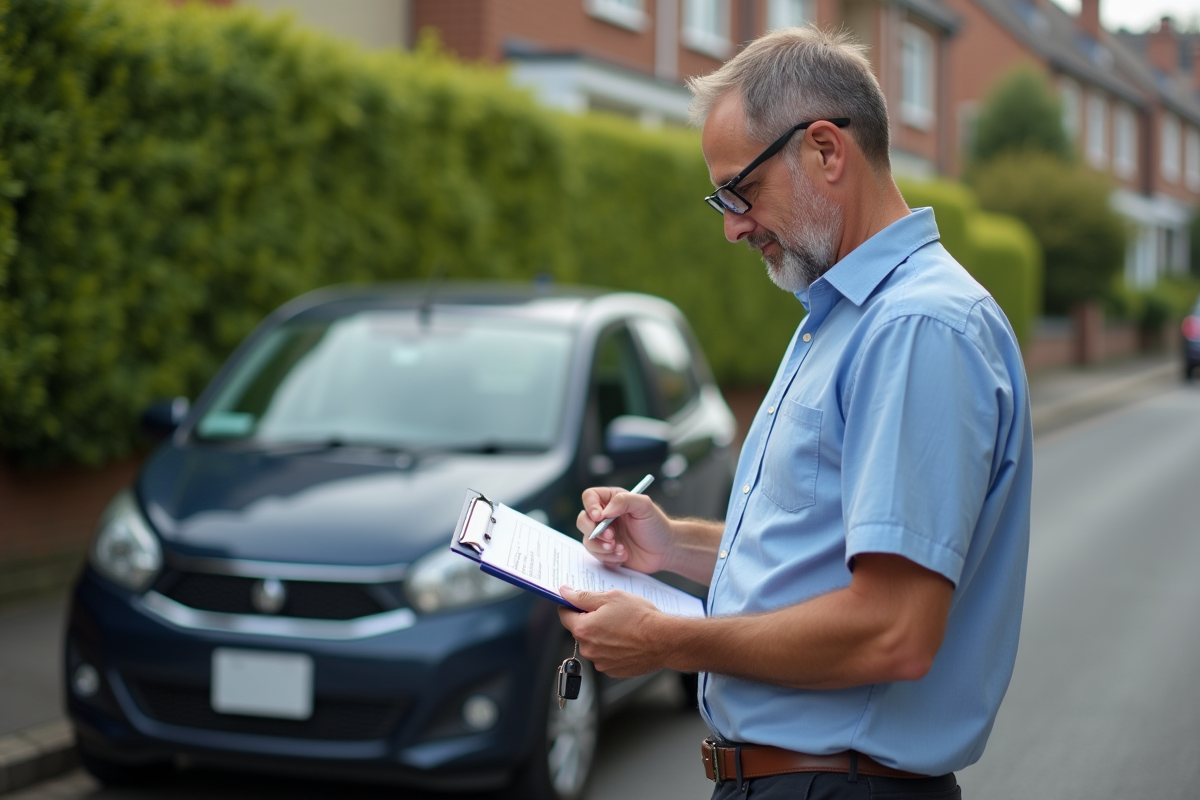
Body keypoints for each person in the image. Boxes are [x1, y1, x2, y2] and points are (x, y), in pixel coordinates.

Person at [556, 25, 1032, 800]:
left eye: (739, 191)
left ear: (825, 151)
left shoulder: (916, 329)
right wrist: (673, 547)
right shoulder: (845, 316)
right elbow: (809, 557)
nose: (732, 225)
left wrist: (668, 641)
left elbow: (894, 630)